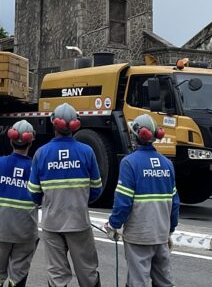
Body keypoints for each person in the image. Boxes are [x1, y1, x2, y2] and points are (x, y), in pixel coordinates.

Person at [28, 103, 102, 287]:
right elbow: (96, 189)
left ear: (54, 123)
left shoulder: (41, 153)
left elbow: (33, 193)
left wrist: (49, 203)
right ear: (76, 124)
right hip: (79, 222)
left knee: (57, 275)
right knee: (88, 272)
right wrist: (80, 201)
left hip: (52, 223)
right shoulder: (87, 151)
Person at [104, 115, 180, 287]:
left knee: (137, 282)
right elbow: (174, 203)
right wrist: (169, 230)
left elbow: (123, 201)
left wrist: (113, 225)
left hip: (138, 236)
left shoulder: (129, 163)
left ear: (135, 136)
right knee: (165, 281)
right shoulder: (167, 164)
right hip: (160, 234)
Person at [0, 120, 39, 287]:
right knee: (19, 274)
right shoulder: (35, 167)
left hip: (2, 229)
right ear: (31, 141)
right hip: (26, 231)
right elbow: (41, 197)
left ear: (11, 140)